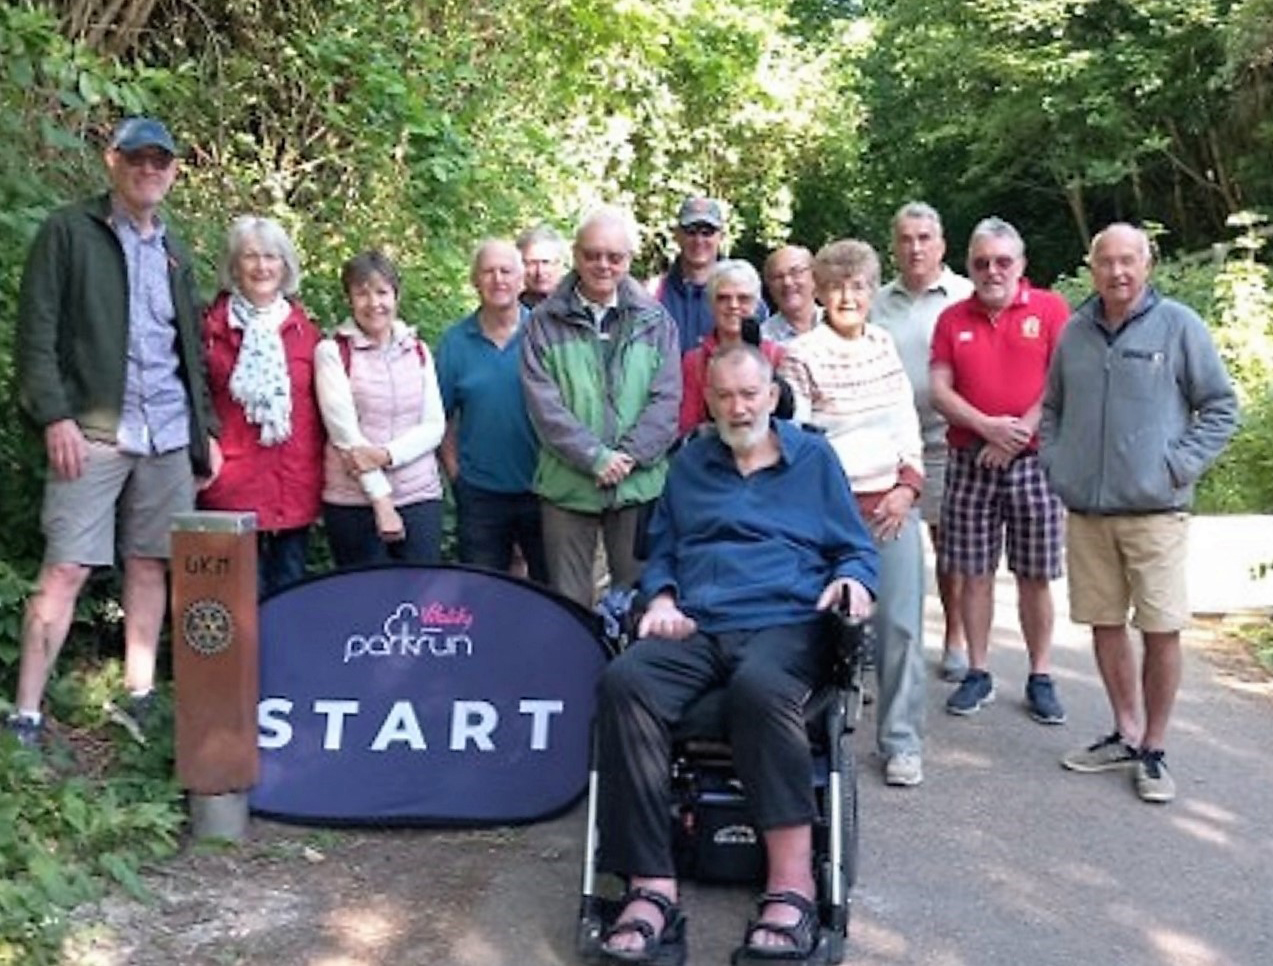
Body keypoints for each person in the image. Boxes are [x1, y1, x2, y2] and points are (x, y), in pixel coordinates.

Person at [595, 344, 877, 964]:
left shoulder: (814, 459)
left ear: (772, 395)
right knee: (624, 681)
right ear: (710, 399)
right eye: (723, 396)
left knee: (760, 688)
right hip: (699, 623)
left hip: (787, 621)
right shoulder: (692, 463)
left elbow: (856, 549)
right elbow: (663, 551)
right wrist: (662, 596)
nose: (737, 406)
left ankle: (792, 885)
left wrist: (854, 582)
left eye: (749, 394)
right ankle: (651, 887)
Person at [5, 117, 218, 746]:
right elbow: (35, 334)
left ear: (175, 171)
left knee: (151, 564)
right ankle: (26, 713)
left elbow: (191, 355)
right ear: (112, 162)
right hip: (93, 431)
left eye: (160, 161)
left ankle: (140, 697)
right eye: (137, 159)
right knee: (66, 568)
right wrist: (54, 415)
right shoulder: (69, 231)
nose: (148, 170)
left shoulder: (175, 250)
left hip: (168, 434)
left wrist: (203, 434)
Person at [1042, 223, 1238, 804]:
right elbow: (1051, 408)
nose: (1118, 272)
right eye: (1107, 262)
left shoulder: (1179, 325)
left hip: (1156, 511)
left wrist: (1176, 467)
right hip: (1089, 512)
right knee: (1104, 624)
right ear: (1092, 267)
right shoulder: (1074, 332)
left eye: (1129, 261)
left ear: (1147, 264)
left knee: (1159, 628)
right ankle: (1125, 732)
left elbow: (1221, 407)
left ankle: (1154, 748)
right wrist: (1058, 464)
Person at [780, 240, 927, 788]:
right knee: (822, 627)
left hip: (892, 507)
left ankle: (901, 742)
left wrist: (907, 487)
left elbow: (904, 424)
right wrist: (839, 508)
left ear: (872, 290)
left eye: (860, 286)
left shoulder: (885, 345)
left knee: (900, 628)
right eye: (837, 287)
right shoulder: (802, 352)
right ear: (819, 291)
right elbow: (798, 442)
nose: (849, 296)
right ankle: (814, 734)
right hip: (830, 517)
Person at [930, 217, 1070, 723]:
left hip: (1034, 463)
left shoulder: (1051, 309)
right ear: (969, 266)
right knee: (972, 574)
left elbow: (1060, 381)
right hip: (970, 461)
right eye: (982, 262)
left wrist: (1014, 436)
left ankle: (1041, 675)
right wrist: (988, 428)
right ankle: (978, 671)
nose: (993, 270)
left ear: (1021, 265)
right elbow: (940, 390)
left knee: (1035, 576)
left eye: (1003, 261)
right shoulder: (952, 319)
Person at [521, 205, 681, 608]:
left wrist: (627, 457)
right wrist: (595, 458)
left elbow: (667, 400)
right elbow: (544, 406)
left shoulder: (656, 321)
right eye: (592, 254)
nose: (603, 265)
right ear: (575, 256)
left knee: (639, 599)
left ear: (629, 259)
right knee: (570, 605)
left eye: (615, 256)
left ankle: (632, 673)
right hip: (567, 485)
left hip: (638, 484)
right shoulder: (543, 322)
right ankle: (577, 672)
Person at [870, 202, 975, 682]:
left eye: (924, 238)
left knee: (949, 546)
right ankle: (882, 639)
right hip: (888, 442)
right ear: (894, 246)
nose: (915, 247)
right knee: (884, 539)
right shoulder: (876, 300)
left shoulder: (965, 295)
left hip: (946, 439)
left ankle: (955, 636)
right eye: (906, 239)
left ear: (942, 245)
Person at [197, 216, 324, 597]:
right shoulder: (209, 330)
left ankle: (286, 660)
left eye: (271, 256)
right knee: (235, 603)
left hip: (292, 483)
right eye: (250, 256)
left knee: (288, 599)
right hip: (230, 484)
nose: (261, 266)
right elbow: (192, 399)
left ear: (285, 266)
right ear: (234, 266)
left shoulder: (307, 333)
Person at [315, 251, 445, 567]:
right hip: (353, 503)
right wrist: (382, 502)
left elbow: (434, 426)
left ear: (396, 296)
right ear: (349, 299)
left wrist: (386, 454)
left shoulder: (417, 350)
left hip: (419, 497)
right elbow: (345, 435)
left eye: (382, 292)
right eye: (362, 293)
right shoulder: (332, 352)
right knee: (364, 606)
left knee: (420, 603)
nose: (374, 303)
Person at [436, 239, 549, 582]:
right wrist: (458, 476)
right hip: (480, 495)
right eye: (488, 271)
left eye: (506, 271)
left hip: (543, 490)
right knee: (482, 595)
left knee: (549, 595)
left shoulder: (545, 335)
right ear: (474, 280)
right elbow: (439, 419)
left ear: (521, 280)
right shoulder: (455, 343)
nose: (497, 279)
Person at [651, 195, 768, 355]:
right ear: (677, 235)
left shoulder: (747, 296)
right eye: (691, 232)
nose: (699, 240)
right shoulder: (653, 294)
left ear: (721, 236)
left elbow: (764, 356)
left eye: (708, 232)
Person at [678, 260, 785, 434]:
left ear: (756, 304)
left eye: (743, 298)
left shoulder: (777, 356)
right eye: (723, 298)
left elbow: (787, 418)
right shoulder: (694, 361)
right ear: (711, 305)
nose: (733, 305)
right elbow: (687, 426)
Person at [761, 244, 821, 343]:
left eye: (795, 272)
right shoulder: (762, 340)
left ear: (814, 276)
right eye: (778, 276)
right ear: (769, 287)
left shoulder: (841, 325)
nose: (787, 282)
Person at [515, 223, 567, 309]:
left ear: (560, 264)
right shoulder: (508, 311)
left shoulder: (582, 306)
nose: (540, 271)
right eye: (532, 263)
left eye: (546, 262)